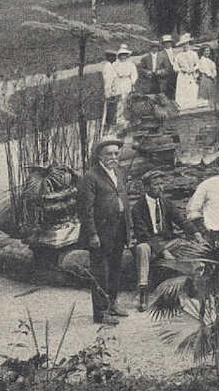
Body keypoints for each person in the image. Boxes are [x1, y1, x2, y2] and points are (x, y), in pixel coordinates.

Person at [76, 136, 132, 325]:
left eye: (116, 153)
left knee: (116, 268)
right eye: (109, 153)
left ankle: (113, 304)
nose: (113, 157)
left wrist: (129, 229)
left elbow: (124, 200)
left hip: (119, 229)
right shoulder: (90, 177)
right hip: (101, 232)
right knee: (100, 272)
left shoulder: (119, 172)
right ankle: (100, 313)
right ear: (99, 154)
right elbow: (85, 209)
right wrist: (92, 234)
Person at [131, 169, 194, 311]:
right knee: (142, 248)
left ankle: (185, 289)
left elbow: (182, 220)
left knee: (188, 245)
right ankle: (143, 291)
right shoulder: (138, 208)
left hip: (167, 241)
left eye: (161, 184)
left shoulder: (166, 203)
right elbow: (143, 235)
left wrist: (196, 233)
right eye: (156, 184)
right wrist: (162, 251)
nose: (160, 187)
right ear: (146, 187)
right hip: (149, 243)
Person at [172, 34, 201, 109]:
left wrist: (193, 69)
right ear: (181, 45)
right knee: (183, 90)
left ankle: (192, 104)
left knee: (192, 89)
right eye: (183, 44)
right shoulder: (178, 55)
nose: (185, 45)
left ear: (189, 44)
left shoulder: (194, 54)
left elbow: (198, 64)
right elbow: (175, 67)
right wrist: (181, 69)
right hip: (182, 75)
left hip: (191, 74)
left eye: (186, 43)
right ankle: (183, 105)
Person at [113, 45, 138, 123]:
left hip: (127, 82)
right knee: (119, 100)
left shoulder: (130, 64)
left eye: (125, 54)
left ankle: (128, 117)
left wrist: (132, 82)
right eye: (121, 54)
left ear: (127, 55)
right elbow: (112, 74)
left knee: (127, 100)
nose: (123, 56)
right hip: (118, 82)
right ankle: (119, 118)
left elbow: (134, 74)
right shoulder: (115, 64)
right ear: (119, 55)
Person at [196, 45, 218, 109]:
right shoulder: (201, 60)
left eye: (208, 51)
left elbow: (214, 69)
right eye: (205, 51)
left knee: (212, 93)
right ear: (202, 52)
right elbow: (205, 70)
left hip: (211, 78)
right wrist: (211, 75)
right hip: (205, 78)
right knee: (205, 94)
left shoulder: (210, 61)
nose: (207, 52)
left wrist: (214, 74)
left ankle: (211, 106)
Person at [101, 49, 120, 126]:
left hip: (114, 91)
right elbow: (108, 81)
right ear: (108, 58)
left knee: (114, 108)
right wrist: (110, 93)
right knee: (111, 109)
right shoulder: (107, 66)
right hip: (110, 92)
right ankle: (110, 123)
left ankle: (112, 122)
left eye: (114, 56)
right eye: (111, 57)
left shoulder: (113, 65)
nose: (114, 58)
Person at [161, 34, 178, 99]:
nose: (168, 44)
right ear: (164, 44)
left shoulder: (176, 51)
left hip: (176, 73)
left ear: (171, 43)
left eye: (169, 42)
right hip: (167, 75)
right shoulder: (161, 53)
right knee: (168, 91)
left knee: (176, 88)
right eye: (166, 43)